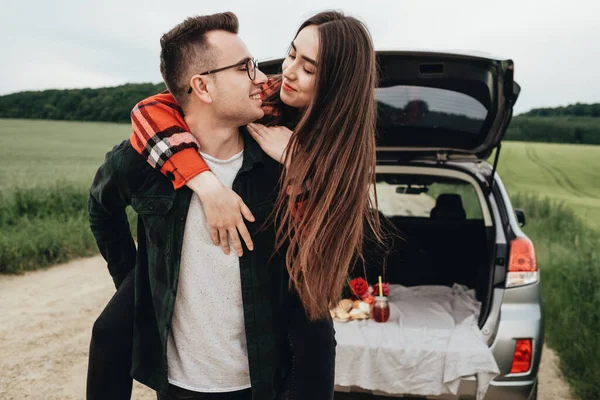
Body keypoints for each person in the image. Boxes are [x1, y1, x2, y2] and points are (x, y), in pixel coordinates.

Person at [87, 12, 335, 400]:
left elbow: (323, 261)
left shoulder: (279, 160)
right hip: (177, 386)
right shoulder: (142, 160)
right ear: (202, 86)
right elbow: (101, 210)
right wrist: (135, 280)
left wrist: (304, 173)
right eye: (244, 67)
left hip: (259, 383)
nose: (264, 77)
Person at [130, 10, 383, 321]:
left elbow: (317, 252)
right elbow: (149, 110)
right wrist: (207, 186)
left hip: (294, 301)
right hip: (231, 298)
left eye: (308, 69)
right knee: (110, 331)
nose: (288, 71)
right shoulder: (268, 96)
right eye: (292, 54)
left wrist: (299, 163)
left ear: (337, 85)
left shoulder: (344, 160)